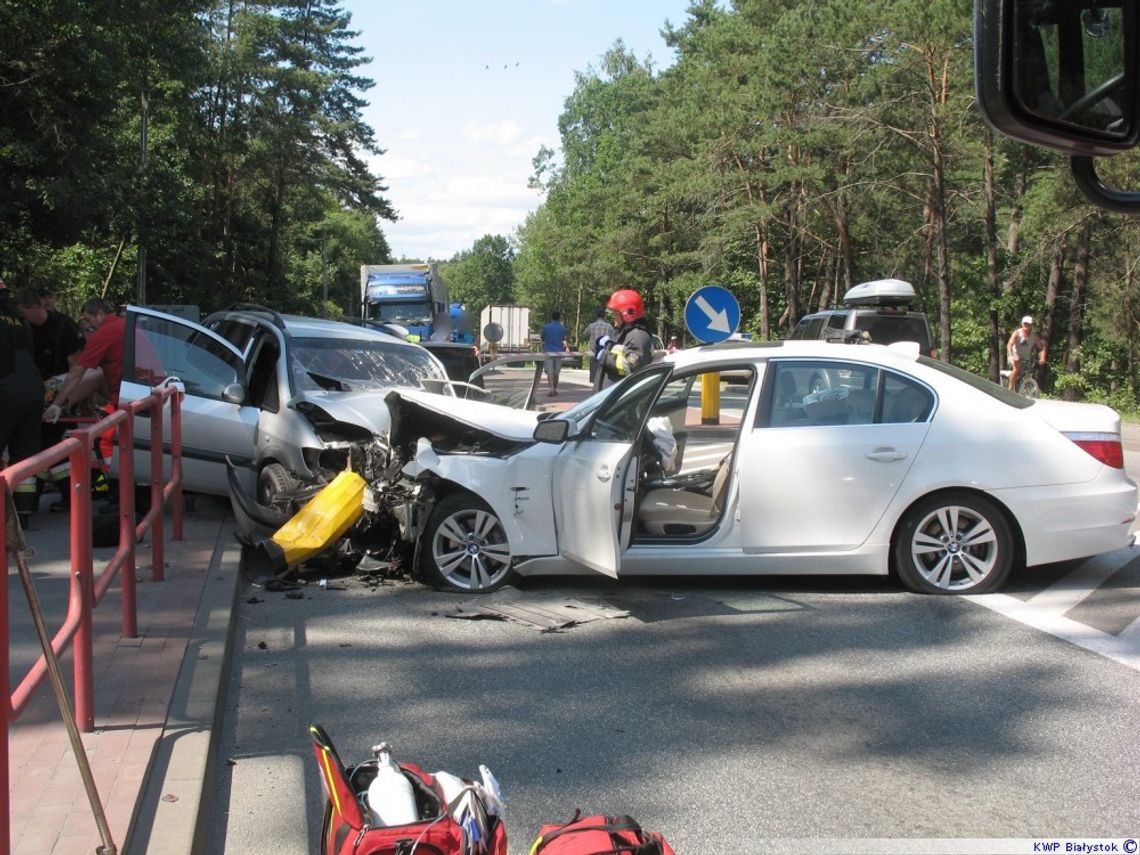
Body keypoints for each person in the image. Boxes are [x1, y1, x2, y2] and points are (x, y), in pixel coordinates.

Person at [15, 287, 86, 512]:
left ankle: (42, 500)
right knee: (48, 444)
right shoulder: (24, 328)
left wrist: (59, 402)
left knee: (50, 443)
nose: (22, 318)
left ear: (35, 307)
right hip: (34, 392)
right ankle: (67, 496)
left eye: (24, 313)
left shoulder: (64, 327)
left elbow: (77, 368)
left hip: (60, 391)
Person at [0, 278, 48, 526]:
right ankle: (23, 516)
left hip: (6, 389)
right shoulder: (18, 319)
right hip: (32, 389)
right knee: (26, 454)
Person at [44, 297, 125, 422]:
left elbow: (77, 372)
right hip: (133, 390)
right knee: (96, 372)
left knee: (95, 374)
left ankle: (49, 401)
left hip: (124, 397)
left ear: (100, 314)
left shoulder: (104, 333)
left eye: (89, 319)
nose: (88, 325)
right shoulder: (123, 325)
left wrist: (57, 404)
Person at [594, 288, 653, 391]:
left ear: (628, 314)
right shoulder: (624, 333)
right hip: (612, 397)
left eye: (616, 314)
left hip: (623, 401)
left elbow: (634, 365)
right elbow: (620, 351)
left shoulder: (638, 336)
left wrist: (605, 356)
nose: (613, 318)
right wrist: (605, 345)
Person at [1006, 315, 1046, 392]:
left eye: (1028, 324)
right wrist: (1012, 356)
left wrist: (1042, 358)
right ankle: (1010, 389)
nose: (1026, 326)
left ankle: (1023, 390)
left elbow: (1042, 348)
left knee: (1026, 374)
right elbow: (1009, 344)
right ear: (1022, 324)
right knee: (1016, 368)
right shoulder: (1017, 333)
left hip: (1025, 358)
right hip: (1014, 355)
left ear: (1031, 325)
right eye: (1025, 324)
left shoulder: (1034, 335)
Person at [582, 308, 615, 384]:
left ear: (597, 316)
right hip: (605, 353)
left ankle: (595, 386)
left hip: (593, 352)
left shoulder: (591, 326)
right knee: (603, 372)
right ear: (604, 316)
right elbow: (614, 337)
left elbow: (584, 334)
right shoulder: (609, 326)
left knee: (594, 372)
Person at [540, 310, 568, 396]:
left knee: (550, 372)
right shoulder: (563, 328)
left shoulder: (546, 327)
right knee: (556, 372)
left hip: (548, 351)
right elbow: (564, 339)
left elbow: (542, 338)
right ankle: (554, 389)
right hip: (559, 352)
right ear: (559, 318)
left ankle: (551, 388)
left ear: (551, 317)